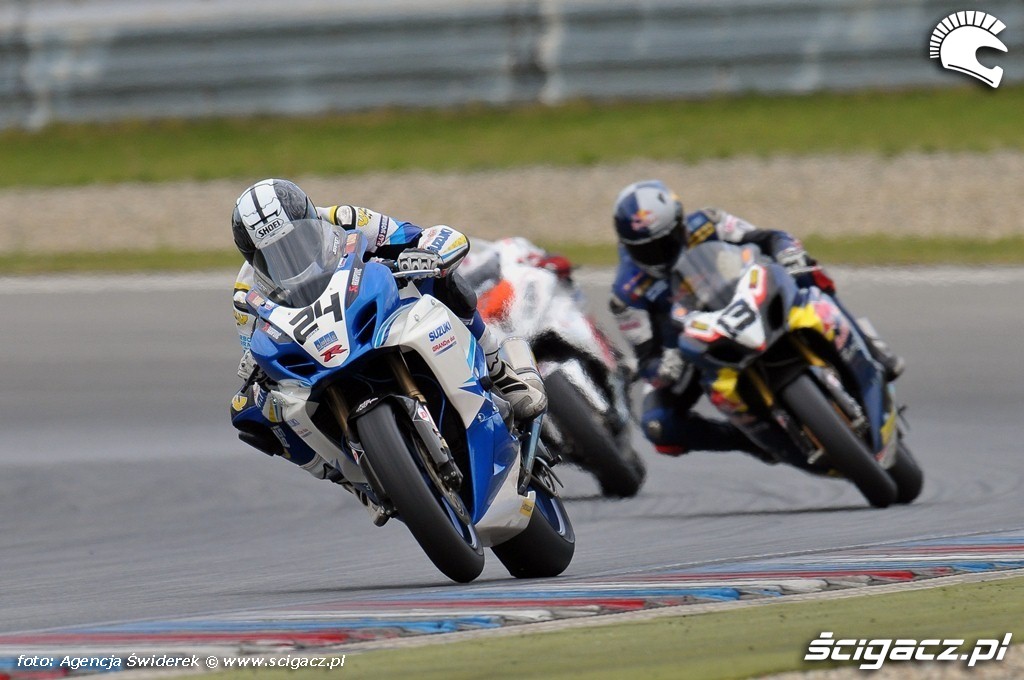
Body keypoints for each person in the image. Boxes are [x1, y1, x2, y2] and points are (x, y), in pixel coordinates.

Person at [228, 178, 547, 500]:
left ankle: (497, 369)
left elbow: (420, 236)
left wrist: (428, 254)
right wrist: (254, 376)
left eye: (296, 239)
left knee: (440, 278)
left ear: (311, 218)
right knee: (256, 410)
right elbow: (253, 350)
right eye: (271, 255)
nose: (289, 256)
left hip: (376, 314)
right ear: (252, 256)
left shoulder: (345, 219)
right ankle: (346, 478)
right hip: (318, 348)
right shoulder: (245, 291)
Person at [609, 179, 904, 457]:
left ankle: (869, 346)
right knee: (658, 426)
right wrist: (663, 368)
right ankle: (749, 440)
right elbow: (646, 358)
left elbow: (768, 237)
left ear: (679, 224)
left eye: (665, 242)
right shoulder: (626, 293)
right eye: (644, 249)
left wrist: (788, 252)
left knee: (805, 272)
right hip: (689, 349)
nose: (658, 255)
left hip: (742, 297)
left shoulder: (706, 223)